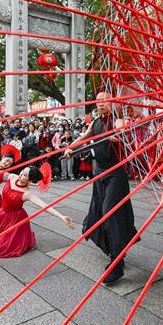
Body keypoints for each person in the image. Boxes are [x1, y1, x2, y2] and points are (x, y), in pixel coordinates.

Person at [64, 91, 137, 284]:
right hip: (99, 173)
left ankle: (117, 262)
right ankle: (115, 250)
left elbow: (124, 130)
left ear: (112, 102)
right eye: (98, 101)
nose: (100, 104)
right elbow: (84, 137)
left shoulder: (117, 120)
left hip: (115, 174)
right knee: (98, 214)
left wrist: (120, 135)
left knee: (110, 213)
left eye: (104, 101)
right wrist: (70, 148)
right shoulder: (96, 122)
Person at [0, 165, 73, 258]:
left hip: (15, 219)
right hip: (2, 212)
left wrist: (61, 216)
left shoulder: (27, 193)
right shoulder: (12, 177)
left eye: (25, 175)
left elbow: (44, 206)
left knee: (1, 246)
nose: (21, 174)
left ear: (29, 181)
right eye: (22, 171)